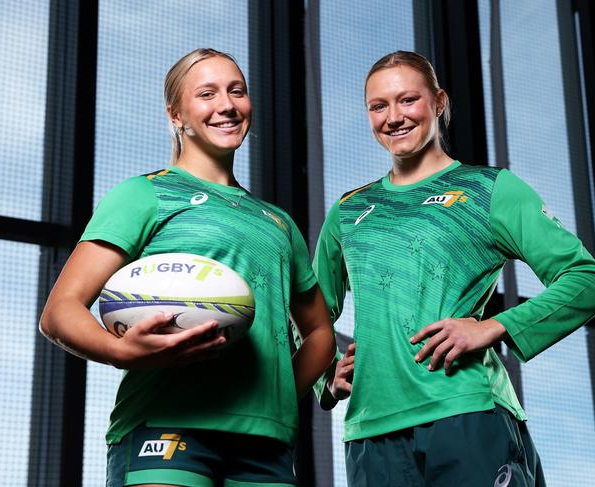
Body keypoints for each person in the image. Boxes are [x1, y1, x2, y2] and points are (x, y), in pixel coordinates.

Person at [39, 48, 335, 487]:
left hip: (266, 443)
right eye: (207, 93)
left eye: (237, 91)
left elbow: (319, 331)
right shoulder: (143, 195)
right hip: (165, 424)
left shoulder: (278, 222)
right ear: (176, 114)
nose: (227, 105)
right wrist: (121, 351)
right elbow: (60, 311)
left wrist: (277, 395)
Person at [313, 50, 595, 486]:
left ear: (439, 102)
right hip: (370, 431)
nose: (393, 117)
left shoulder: (490, 190)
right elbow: (307, 312)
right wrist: (324, 375)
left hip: (467, 414)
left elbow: (585, 279)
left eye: (408, 100)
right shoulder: (350, 211)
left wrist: (494, 327)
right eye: (378, 106)